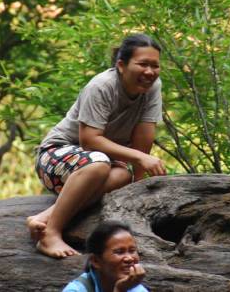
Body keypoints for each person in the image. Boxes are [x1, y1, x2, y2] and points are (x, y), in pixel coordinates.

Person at [27, 34, 166, 258]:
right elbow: (89, 140)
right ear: (121, 65)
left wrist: (139, 181)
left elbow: (144, 134)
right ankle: (50, 233)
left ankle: (43, 218)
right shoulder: (102, 86)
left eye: (155, 65)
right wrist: (140, 159)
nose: (149, 72)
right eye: (142, 64)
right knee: (99, 165)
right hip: (54, 157)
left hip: (98, 163)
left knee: (122, 176)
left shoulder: (152, 87)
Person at [62, 221, 148, 292]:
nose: (129, 258)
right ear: (96, 261)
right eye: (119, 252)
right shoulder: (76, 290)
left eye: (132, 251)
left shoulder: (137, 289)